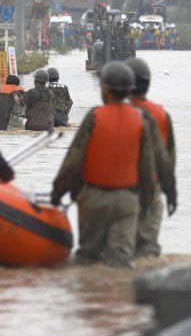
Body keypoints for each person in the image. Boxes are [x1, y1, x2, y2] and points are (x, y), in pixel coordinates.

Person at [50, 61, 157, 267]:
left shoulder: (95, 116)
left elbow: (74, 160)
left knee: (88, 258)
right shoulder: (140, 119)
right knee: (121, 262)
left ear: (106, 90)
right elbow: (148, 167)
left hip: (95, 199)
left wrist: (58, 193)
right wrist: (146, 201)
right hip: (128, 201)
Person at [124, 57, 177, 258]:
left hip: (119, 189)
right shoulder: (161, 114)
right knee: (147, 251)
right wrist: (171, 192)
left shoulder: (112, 113)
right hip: (151, 188)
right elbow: (168, 158)